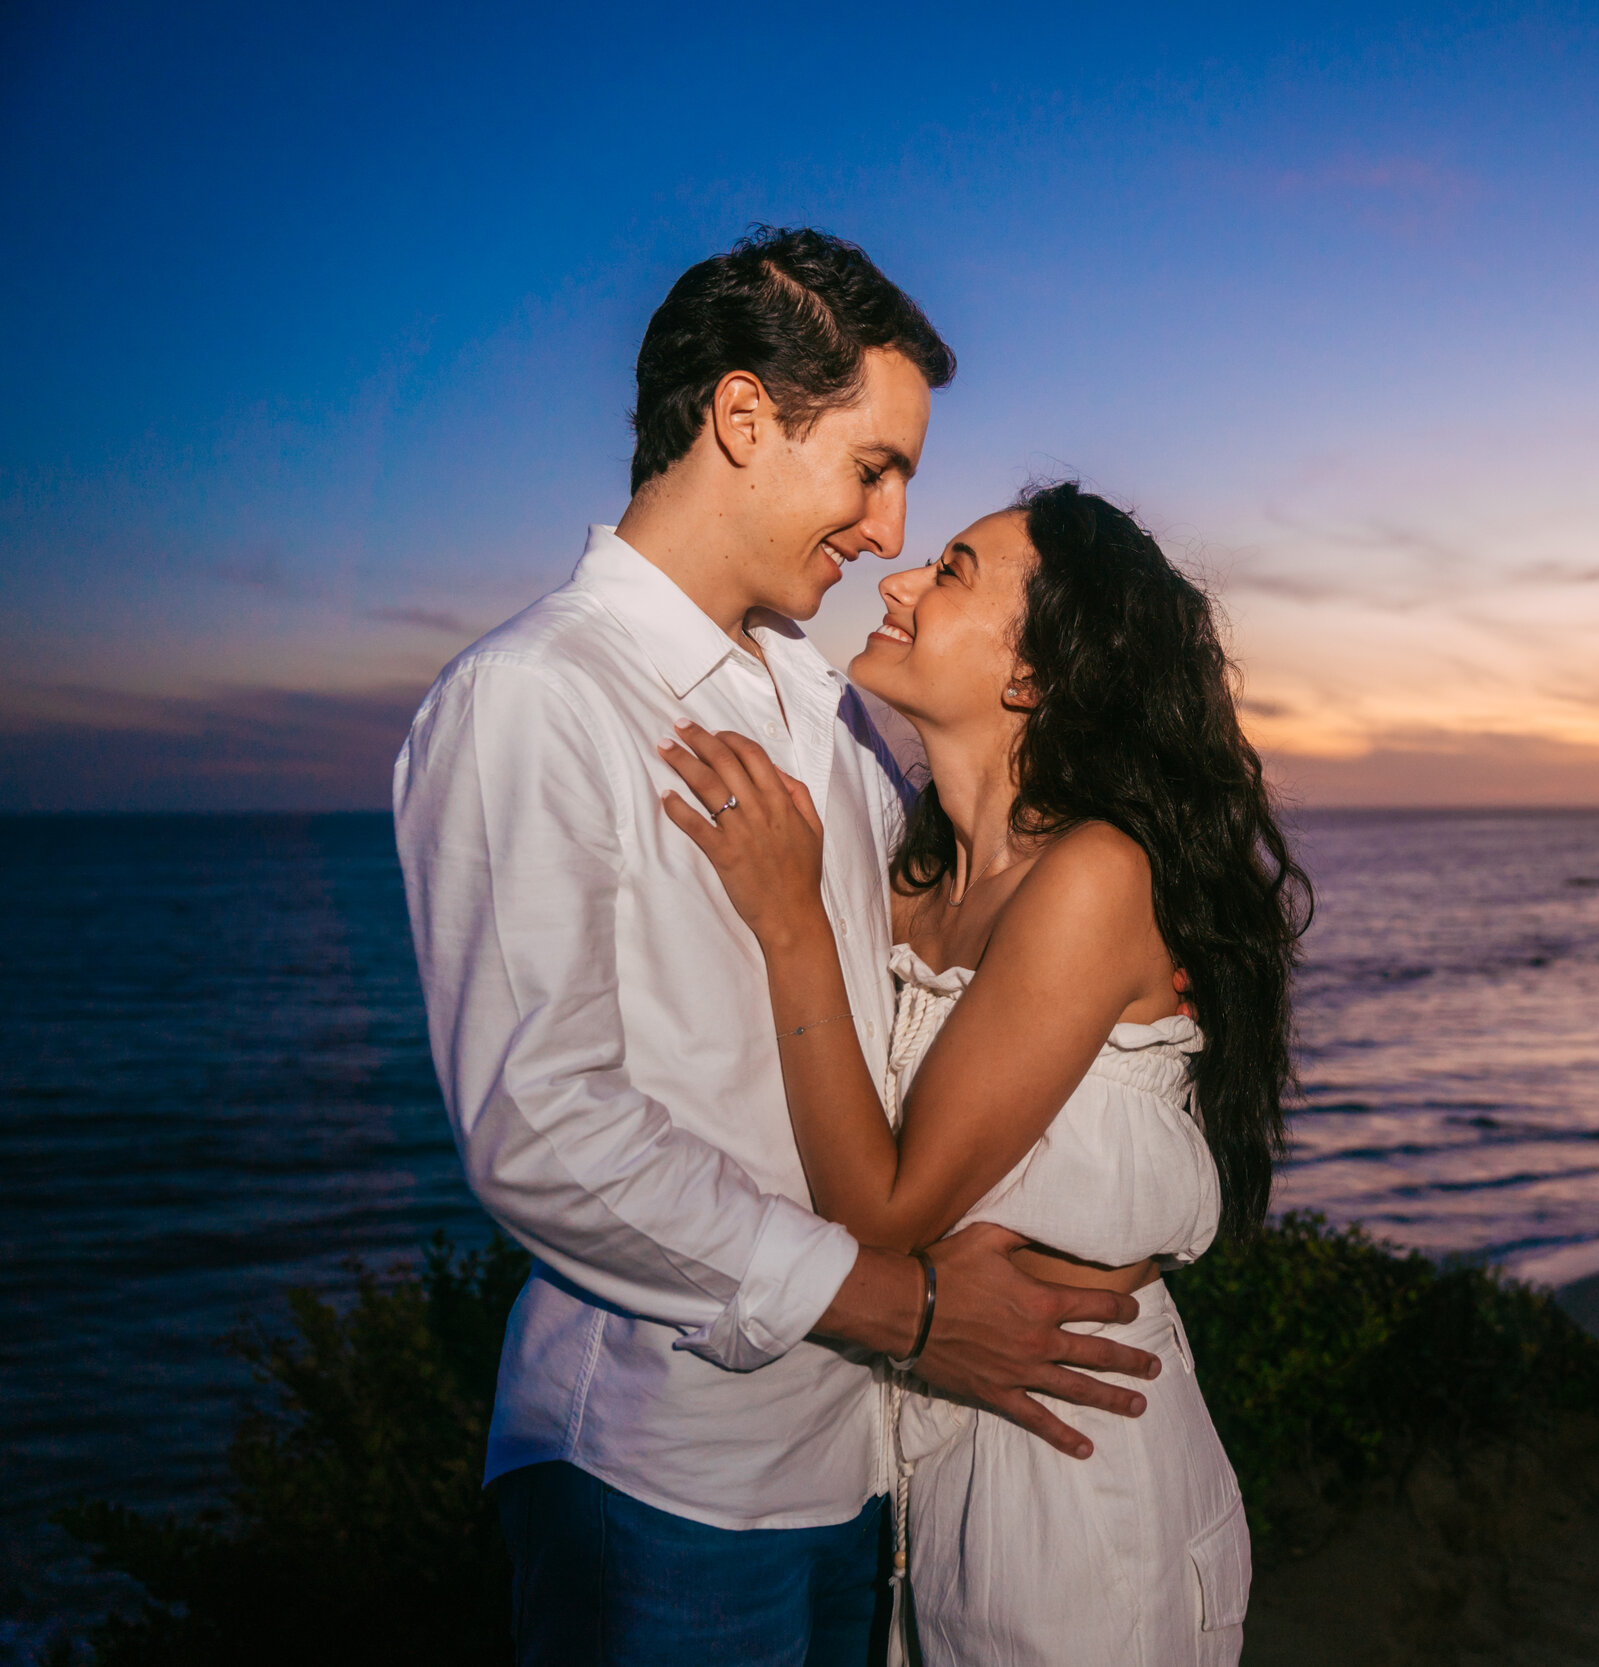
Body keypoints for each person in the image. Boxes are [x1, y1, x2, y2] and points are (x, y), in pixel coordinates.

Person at [394, 228, 1164, 1667]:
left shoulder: (817, 710)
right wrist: (909, 1309)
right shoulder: (535, 700)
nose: (886, 530)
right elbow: (540, 1132)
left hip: (861, 1468)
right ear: (743, 418)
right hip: (666, 1476)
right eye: (872, 467)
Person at [656, 481, 1308, 1664]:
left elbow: (887, 1210)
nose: (895, 578)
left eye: (951, 570)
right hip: (918, 1455)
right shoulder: (912, 878)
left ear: (1035, 673)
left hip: (1076, 1468)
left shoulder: (1094, 874)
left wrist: (790, 921)